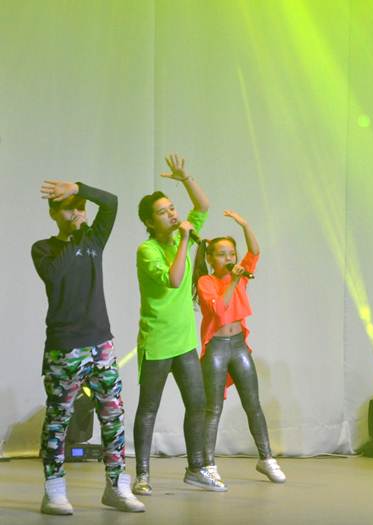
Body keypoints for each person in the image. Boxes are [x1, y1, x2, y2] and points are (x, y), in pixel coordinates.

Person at [33, 180, 145, 514]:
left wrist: (78, 188)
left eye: (81, 207)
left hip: (101, 344)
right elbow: (57, 276)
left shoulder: (94, 240)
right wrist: (73, 234)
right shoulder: (43, 249)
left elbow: (111, 202)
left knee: (113, 416)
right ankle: (54, 490)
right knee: (59, 419)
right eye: (69, 208)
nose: (78, 213)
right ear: (54, 214)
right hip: (64, 348)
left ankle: (117, 486)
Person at [133, 154, 225, 495]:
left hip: (184, 341)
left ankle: (196, 468)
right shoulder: (148, 249)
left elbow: (203, 204)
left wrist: (185, 178)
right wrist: (185, 238)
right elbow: (173, 280)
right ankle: (142, 475)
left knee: (197, 404)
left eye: (172, 208)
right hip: (157, 342)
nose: (172, 214)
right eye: (163, 212)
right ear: (149, 221)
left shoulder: (179, 237)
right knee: (148, 409)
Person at [193, 210, 286, 485]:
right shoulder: (206, 282)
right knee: (213, 409)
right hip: (216, 348)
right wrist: (234, 280)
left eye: (232, 253)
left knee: (253, 404)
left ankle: (266, 458)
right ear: (210, 258)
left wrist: (244, 224)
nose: (229, 258)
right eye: (222, 254)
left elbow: (254, 252)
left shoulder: (242, 275)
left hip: (238, 345)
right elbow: (219, 311)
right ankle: (208, 465)